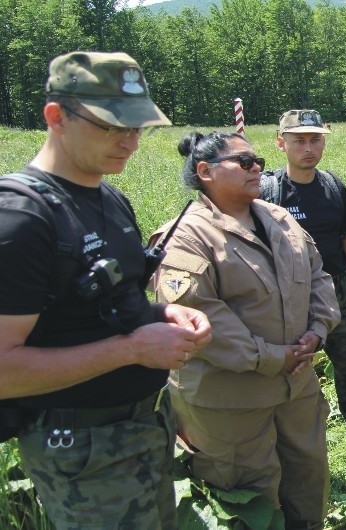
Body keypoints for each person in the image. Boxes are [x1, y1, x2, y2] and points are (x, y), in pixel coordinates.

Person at [0, 51, 212, 528]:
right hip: (82, 450)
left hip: (140, 428)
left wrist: (161, 317)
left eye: (137, 128)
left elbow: (108, 307)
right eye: (112, 127)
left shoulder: (108, 196)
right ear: (56, 117)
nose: (130, 142)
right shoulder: (21, 219)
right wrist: (132, 349)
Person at [151, 131, 340, 529]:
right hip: (230, 403)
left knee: (308, 484)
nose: (258, 168)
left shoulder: (280, 219)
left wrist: (317, 330)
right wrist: (272, 356)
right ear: (205, 171)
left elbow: (319, 276)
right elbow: (198, 315)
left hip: (296, 388)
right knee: (247, 503)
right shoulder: (186, 235)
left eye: (259, 161)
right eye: (245, 162)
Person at [259, 109, 346, 465]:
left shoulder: (332, 186)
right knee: (292, 380)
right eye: (299, 140)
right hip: (290, 302)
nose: (308, 148)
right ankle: (295, 461)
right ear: (281, 143)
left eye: (315, 139)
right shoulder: (267, 193)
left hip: (338, 295)